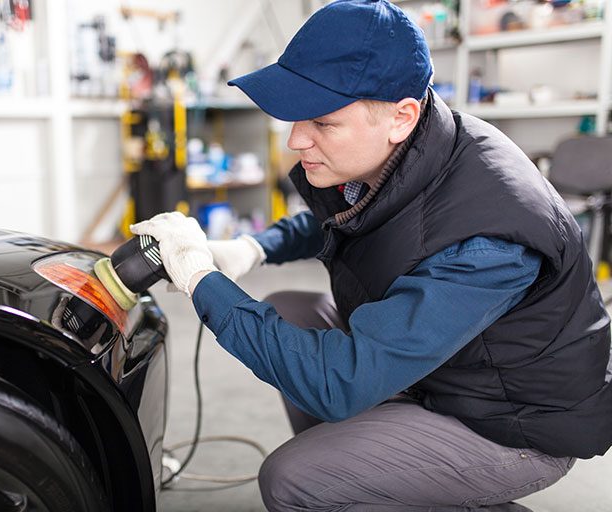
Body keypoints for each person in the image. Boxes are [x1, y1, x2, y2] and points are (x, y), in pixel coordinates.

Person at [129, 0, 612, 510]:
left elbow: (341, 380)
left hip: (513, 422)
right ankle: (376, 475)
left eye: (323, 122)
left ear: (401, 117)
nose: (296, 139)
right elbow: (345, 217)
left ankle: (385, 485)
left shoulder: (489, 240)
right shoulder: (415, 146)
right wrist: (250, 248)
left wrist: (202, 280)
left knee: (295, 479)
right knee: (296, 309)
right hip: (452, 374)